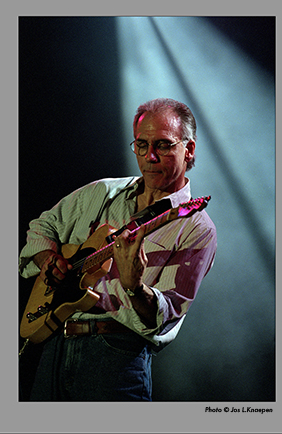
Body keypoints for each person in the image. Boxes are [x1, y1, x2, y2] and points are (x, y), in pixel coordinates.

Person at [19, 97, 217, 401]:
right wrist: (49, 260)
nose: (150, 156)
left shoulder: (197, 228)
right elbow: (41, 228)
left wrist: (134, 286)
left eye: (163, 145)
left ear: (188, 149)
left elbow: (163, 318)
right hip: (55, 346)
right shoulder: (101, 192)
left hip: (116, 357)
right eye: (141, 144)